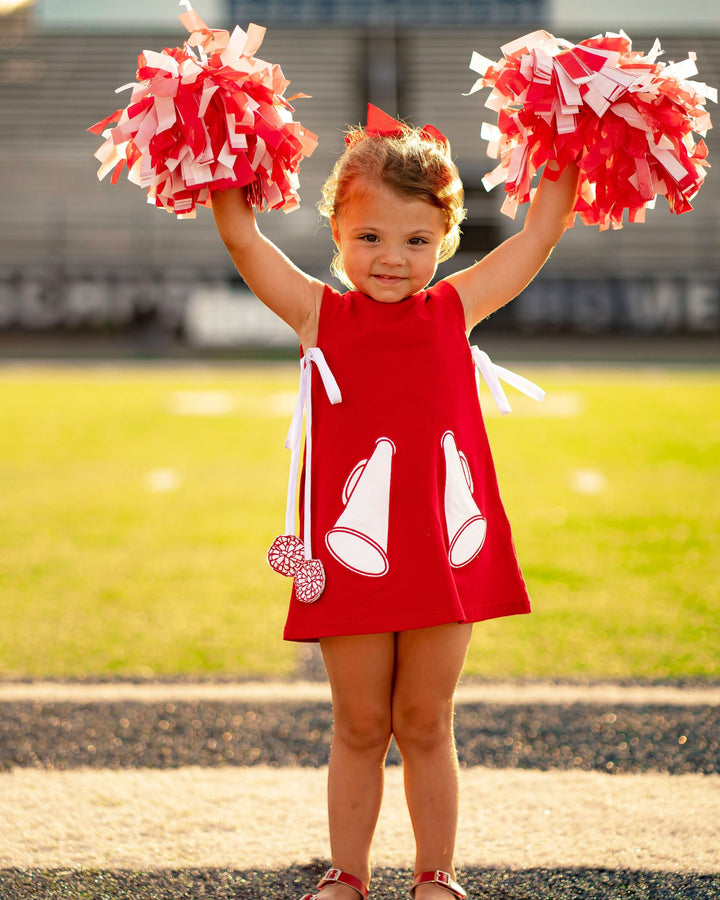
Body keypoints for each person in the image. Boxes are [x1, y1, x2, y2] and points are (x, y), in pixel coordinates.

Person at [211, 105, 579, 900]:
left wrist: (570, 141)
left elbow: (540, 233)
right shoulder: (318, 313)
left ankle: (435, 874)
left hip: (447, 549)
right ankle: (348, 874)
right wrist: (220, 156)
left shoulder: (455, 306)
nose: (391, 258)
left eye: (416, 241)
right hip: (349, 553)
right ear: (337, 233)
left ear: (445, 243)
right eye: (369, 237)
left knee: (423, 720)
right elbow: (244, 240)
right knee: (357, 724)